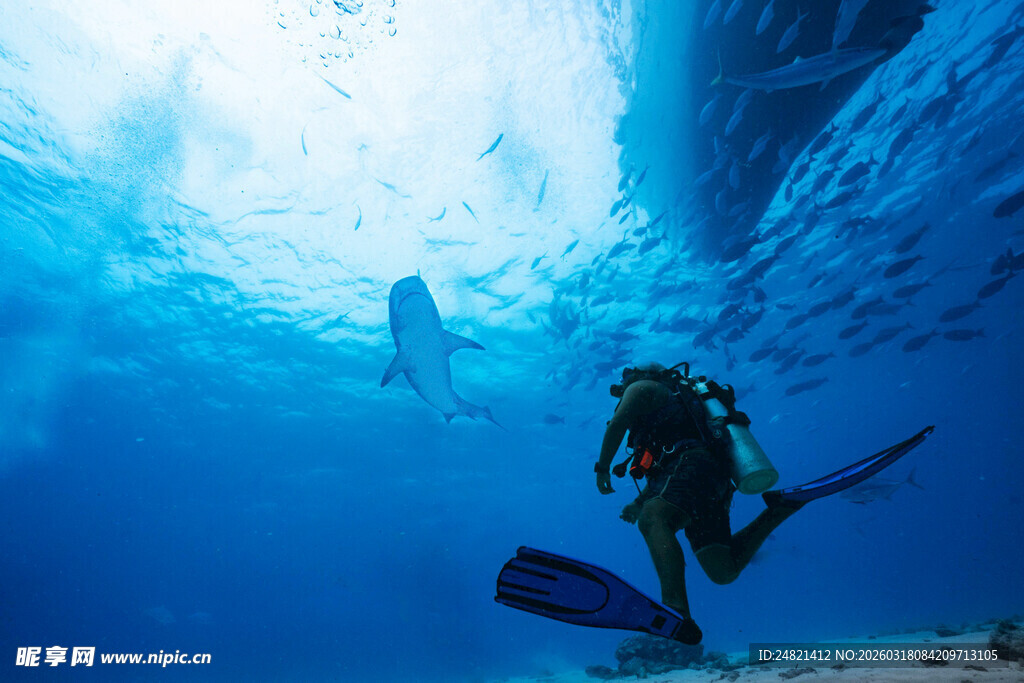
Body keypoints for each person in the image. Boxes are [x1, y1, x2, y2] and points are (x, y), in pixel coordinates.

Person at [593, 362, 802, 645]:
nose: (622, 386)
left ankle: (675, 609)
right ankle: (778, 511)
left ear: (641, 375)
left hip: (692, 464)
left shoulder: (641, 387)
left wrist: (602, 467)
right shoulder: (669, 406)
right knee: (723, 570)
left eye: (625, 378)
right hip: (709, 479)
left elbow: (618, 425)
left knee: (653, 520)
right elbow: (663, 468)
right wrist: (639, 501)